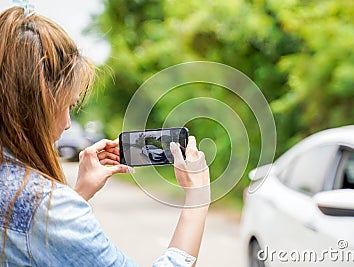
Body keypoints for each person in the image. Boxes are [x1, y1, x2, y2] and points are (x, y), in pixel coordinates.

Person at [0, 6, 210, 267]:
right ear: (37, 102)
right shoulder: (44, 205)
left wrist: (79, 194)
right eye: (68, 105)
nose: (67, 124)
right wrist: (198, 198)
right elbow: (42, 221)